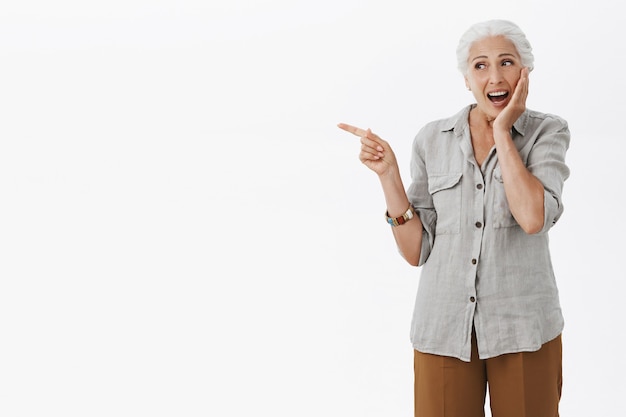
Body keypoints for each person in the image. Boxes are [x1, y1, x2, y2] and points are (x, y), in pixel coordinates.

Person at [338, 19, 570, 417]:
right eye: (480, 66)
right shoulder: (431, 139)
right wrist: (389, 177)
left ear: (525, 72)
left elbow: (533, 218)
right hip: (443, 329)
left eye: (507, 62)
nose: (494, 76)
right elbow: (416, 251)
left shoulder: (547, 132)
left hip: (524, 329)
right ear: (466, 78)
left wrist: (502, 131)